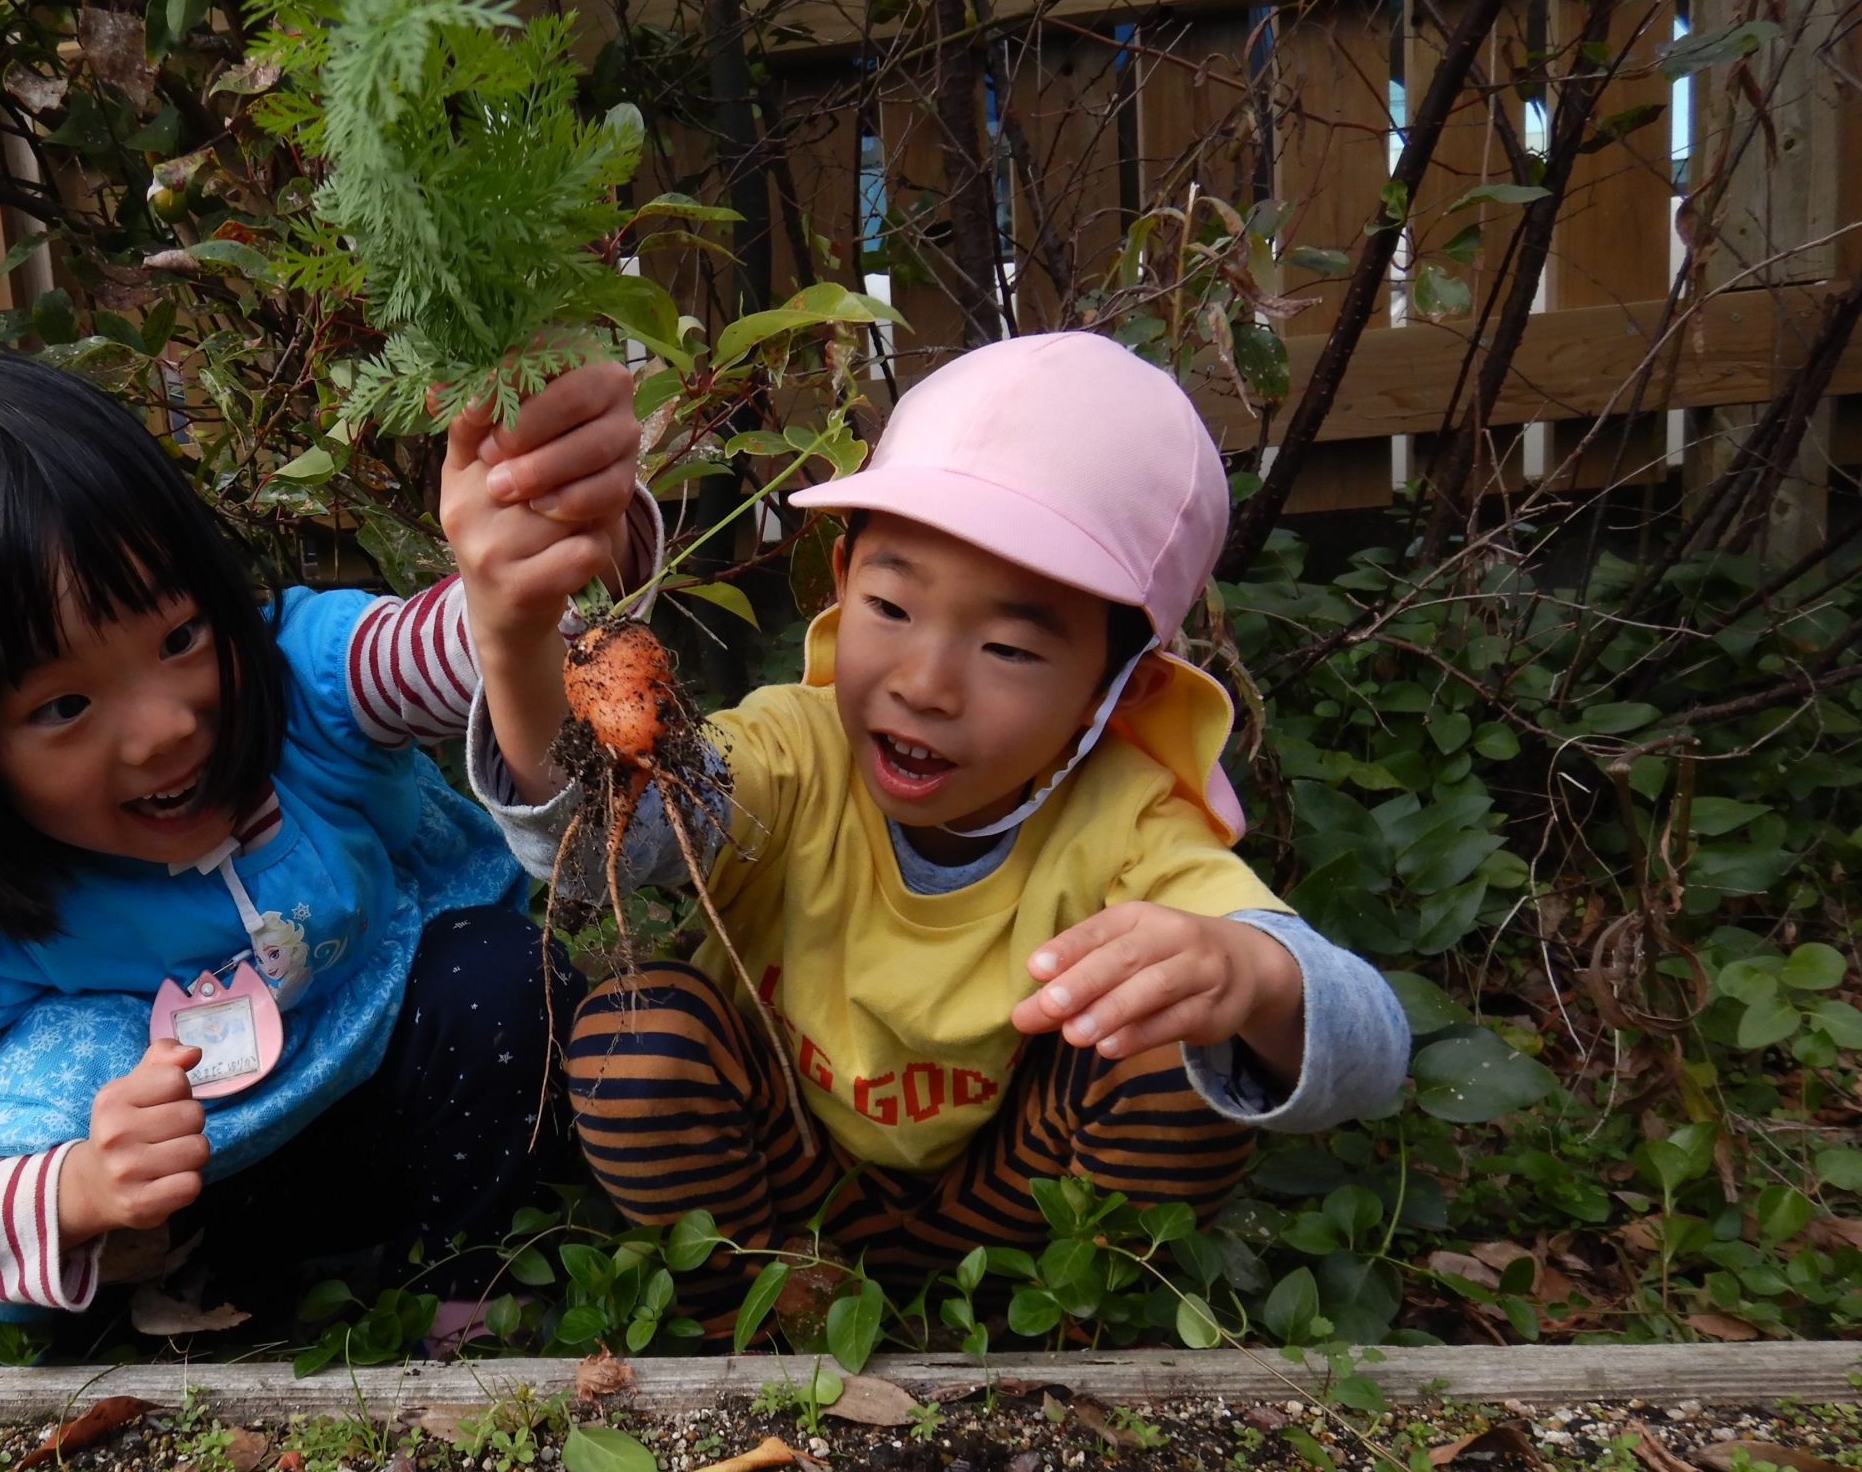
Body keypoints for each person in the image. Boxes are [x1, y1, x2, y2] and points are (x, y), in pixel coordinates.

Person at [458, 331, 1411, 1318]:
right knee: (635, 1033)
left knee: (1179, 1040)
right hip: (780, 1194)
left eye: (1007, 647)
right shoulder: (795, 752)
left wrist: (1250, 976)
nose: (924, 685)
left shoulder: (1127, 823)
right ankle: (766, 1309)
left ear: (1115, 690)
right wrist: (515, 638)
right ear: (840, 581)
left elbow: (1373, 1049)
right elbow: (620, 824)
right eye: (890, 605)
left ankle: (1044, 1329)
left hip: (1014, 1213)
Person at [0, 350, 648, 1342]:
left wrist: (539, 559)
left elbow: (452, 642)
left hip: (378, 1125)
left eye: (181, 638)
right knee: (63, 1078)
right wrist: (73, 1188)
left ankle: (457, 1291)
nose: (163, 727)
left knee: (498, 976)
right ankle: (154, 1326)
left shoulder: (301, 680)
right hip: (171, 1215)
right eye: (63, 706)